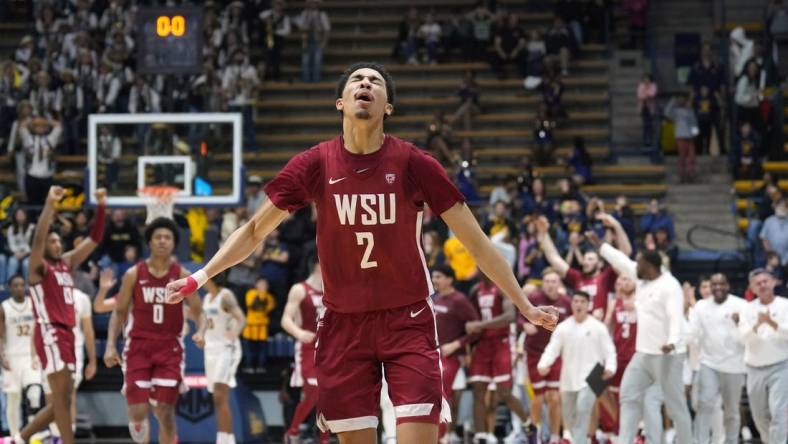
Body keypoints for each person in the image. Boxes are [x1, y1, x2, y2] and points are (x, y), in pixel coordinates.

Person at [166, 62, 558, 443]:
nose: (365, 83)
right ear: (341, 102)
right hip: (343, 325)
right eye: (357, 79)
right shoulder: (315, 163)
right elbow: (253, 230)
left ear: (387, 106)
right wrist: (200, 276)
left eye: (375, 81)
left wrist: (523, 303)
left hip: (409, 320)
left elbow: (477, 243)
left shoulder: (414, 163)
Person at [5, 186, 106, 444]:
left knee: (64, 399)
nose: (57, 244)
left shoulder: (66, 263)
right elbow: (38, 240)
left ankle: (19, 439)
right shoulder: (39, 268)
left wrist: (102, 206)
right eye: (53, 241)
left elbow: (94, 240)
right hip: (49, 331)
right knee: (60, 399)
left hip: (67, 334)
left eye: (59, 240)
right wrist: (50, 204)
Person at [103, 217, 203, 444]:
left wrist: (202, 331)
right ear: (149, 242)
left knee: (166, 412)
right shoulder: (133, 274)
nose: (162, 241)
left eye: (167, 237)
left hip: (169, 349)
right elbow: (118, 312)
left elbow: (199, 311)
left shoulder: (181, 274)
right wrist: (110, 345)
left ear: (174, 243)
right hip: (138, 346)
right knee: (138, 413)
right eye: (157, 237)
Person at [592, 233, 693, 444]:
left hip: (669, 356)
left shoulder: (670, 286)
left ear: (651, 266)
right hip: (644, 354)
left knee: (675, 408)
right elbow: (621, 261)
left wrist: (672, 341)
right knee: (628, 396)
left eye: (639, 263)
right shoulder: (642, 278)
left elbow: (676, 318)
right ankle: (625, 441)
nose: (634, 266)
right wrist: (602, 246)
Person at [537, 291, 617, 443]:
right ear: (571, 304)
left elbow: (609, 350)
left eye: (582, 301)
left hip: (593, 376)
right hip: (569, 378)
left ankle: (605, 435)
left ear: (588, 305)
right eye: (575, 301)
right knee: (569, 417)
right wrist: (543, 364)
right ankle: (583, 438)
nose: (578, 304)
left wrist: (610, 367)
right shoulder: (563, 327)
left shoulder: (598, 327)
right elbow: (552, 348)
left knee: (583, 411)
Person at [465, 275, 529, 443]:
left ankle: (528, 424)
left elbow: (510, 317)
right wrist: (467, 345)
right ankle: (481, 435)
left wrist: (481, 325)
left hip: (502, 343)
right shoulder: (475, 290)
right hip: (483, 344)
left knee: (504, 393)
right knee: (478, 390)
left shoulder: (502, 287)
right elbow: (471, 318)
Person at [687, 273, 747, 444]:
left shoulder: (741, 305)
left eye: (721, 284)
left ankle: (731, 441)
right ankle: (700, 441)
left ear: (728, 285)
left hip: (734, 366)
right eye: (714, 284)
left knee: (731, 411)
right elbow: (692, 333)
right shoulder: (701, 306)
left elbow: (747, 339)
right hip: (708, 363)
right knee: (704, 404)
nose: (718, 288)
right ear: (710, 287)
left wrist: (739, 324)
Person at [536, 214, 630, 319]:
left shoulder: (605, 277)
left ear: (599, 264)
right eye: (585, 259)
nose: (585, 262)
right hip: (578, 326)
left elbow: (625, 256)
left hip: (599, 328)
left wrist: (617, 226)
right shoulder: (577, 277)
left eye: (590, 259)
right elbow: (554, 259)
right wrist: (544, 233)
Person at [280, 254, 330, 444]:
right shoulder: (300, 289)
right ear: (318, 265)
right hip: (307, 347)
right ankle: (292, 431)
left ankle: (323, 439)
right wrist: (299, 333)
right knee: (314, 390)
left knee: (327, 394)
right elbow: (285, 319)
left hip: (328, 348)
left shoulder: (331, 291)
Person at [736, 269, 788, 444]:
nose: (763, 285)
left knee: (779, 412)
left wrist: (771, 323)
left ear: (773, 282)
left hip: (781, 366)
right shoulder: (746, 309)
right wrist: (758, 324)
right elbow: (743, 339)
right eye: (758, 283)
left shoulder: (784, 305)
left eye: (766, 281)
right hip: (754, 368)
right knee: (759, 416)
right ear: (752, 288)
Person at [192, 274, 245, 444]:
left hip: (227, 350)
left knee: (220, 395)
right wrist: (201, 335)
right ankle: (225, 438)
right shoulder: (207, 298)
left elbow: (241, 318)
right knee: (217, 397)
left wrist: (235, 333)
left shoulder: (225, 296)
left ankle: (226, 440)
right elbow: (205, 322)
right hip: (211, 350)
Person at [522, 269, 572, 444]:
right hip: (534, 353)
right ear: (543, 284)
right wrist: (524, 325)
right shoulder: (534, 299)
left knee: (555, 396)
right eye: (547, 281)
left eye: (554, 281)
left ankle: (554, 437)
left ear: (559, 284)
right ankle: (536, 435)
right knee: (538, 397)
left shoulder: (566, 302)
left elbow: (572, 325)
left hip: (555, 354)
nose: (551, 284)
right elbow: (519, 315)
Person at [431, 264, 478, 441]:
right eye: (433, 277)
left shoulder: (459, 300)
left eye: (439, 276)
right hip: (433, 354)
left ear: (450, 279)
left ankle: (441, 437)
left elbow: (476, 329)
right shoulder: (434, 298)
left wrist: (457, 344)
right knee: (435, 396)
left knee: (442, 396)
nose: (435, 280)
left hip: (451, 356)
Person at [0, 275, 42, 439]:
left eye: (21, 285)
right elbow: (0, 335)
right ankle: (14, 436)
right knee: (13, 398)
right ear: (10, 288)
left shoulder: (33, 304)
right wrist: (2, 357)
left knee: (34, 394)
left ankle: (34, 434)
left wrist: (37, 353)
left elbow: (38, 331)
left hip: (30, 356)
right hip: (12, 356)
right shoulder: (4, 307)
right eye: (15, 285)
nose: (19, 288)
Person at [70, 288, 97, 426]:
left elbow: (88, 331)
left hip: (74, 349)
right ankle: (55, 436)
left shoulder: (81, 297)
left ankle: (67, 438)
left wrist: (92, 361)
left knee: (70, 395)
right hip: (50, 347)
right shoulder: (47, 294)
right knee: (52, 398)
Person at [242, 277, 276, 373]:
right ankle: (249, 366)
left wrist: (263, 296)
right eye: (261, 283)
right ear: (256, 284)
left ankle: (261, 366)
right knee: (249, 348)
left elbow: (268, 308)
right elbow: (252, 305)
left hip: (262, 325)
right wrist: (261, 296)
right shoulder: (250, 293)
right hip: (250, 325)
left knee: (262, 349)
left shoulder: (269, 297)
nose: (263, 286)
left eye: (265, 284)